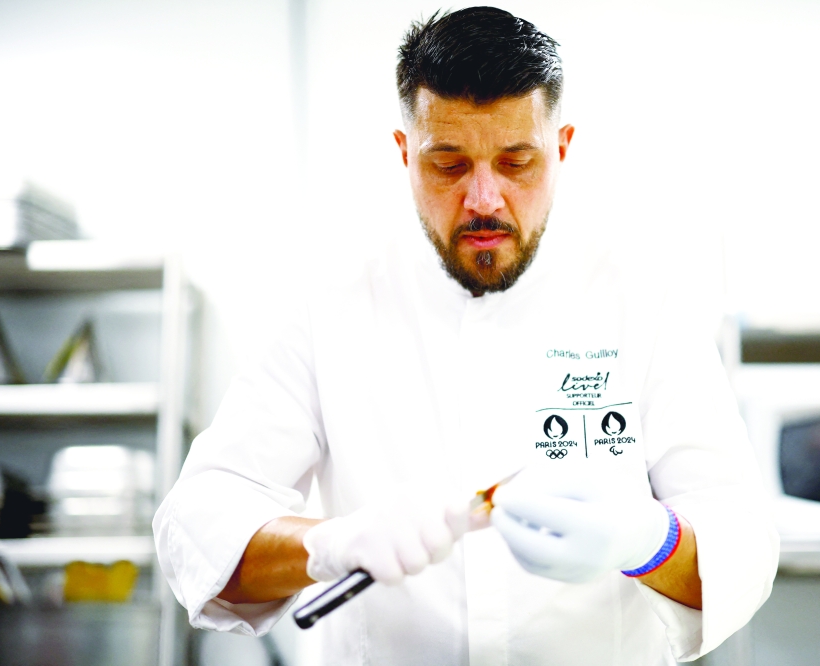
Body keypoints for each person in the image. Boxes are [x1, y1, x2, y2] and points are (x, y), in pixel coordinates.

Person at [154, 7, 779, 665]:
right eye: (449, 164)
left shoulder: (644, 299)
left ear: (561, 148)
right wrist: (329, 544)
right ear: (405, 155)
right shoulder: (329, 303)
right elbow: (197, 526)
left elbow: (743, 547)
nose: (484, 198)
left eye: (517, 161)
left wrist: (646, 542)